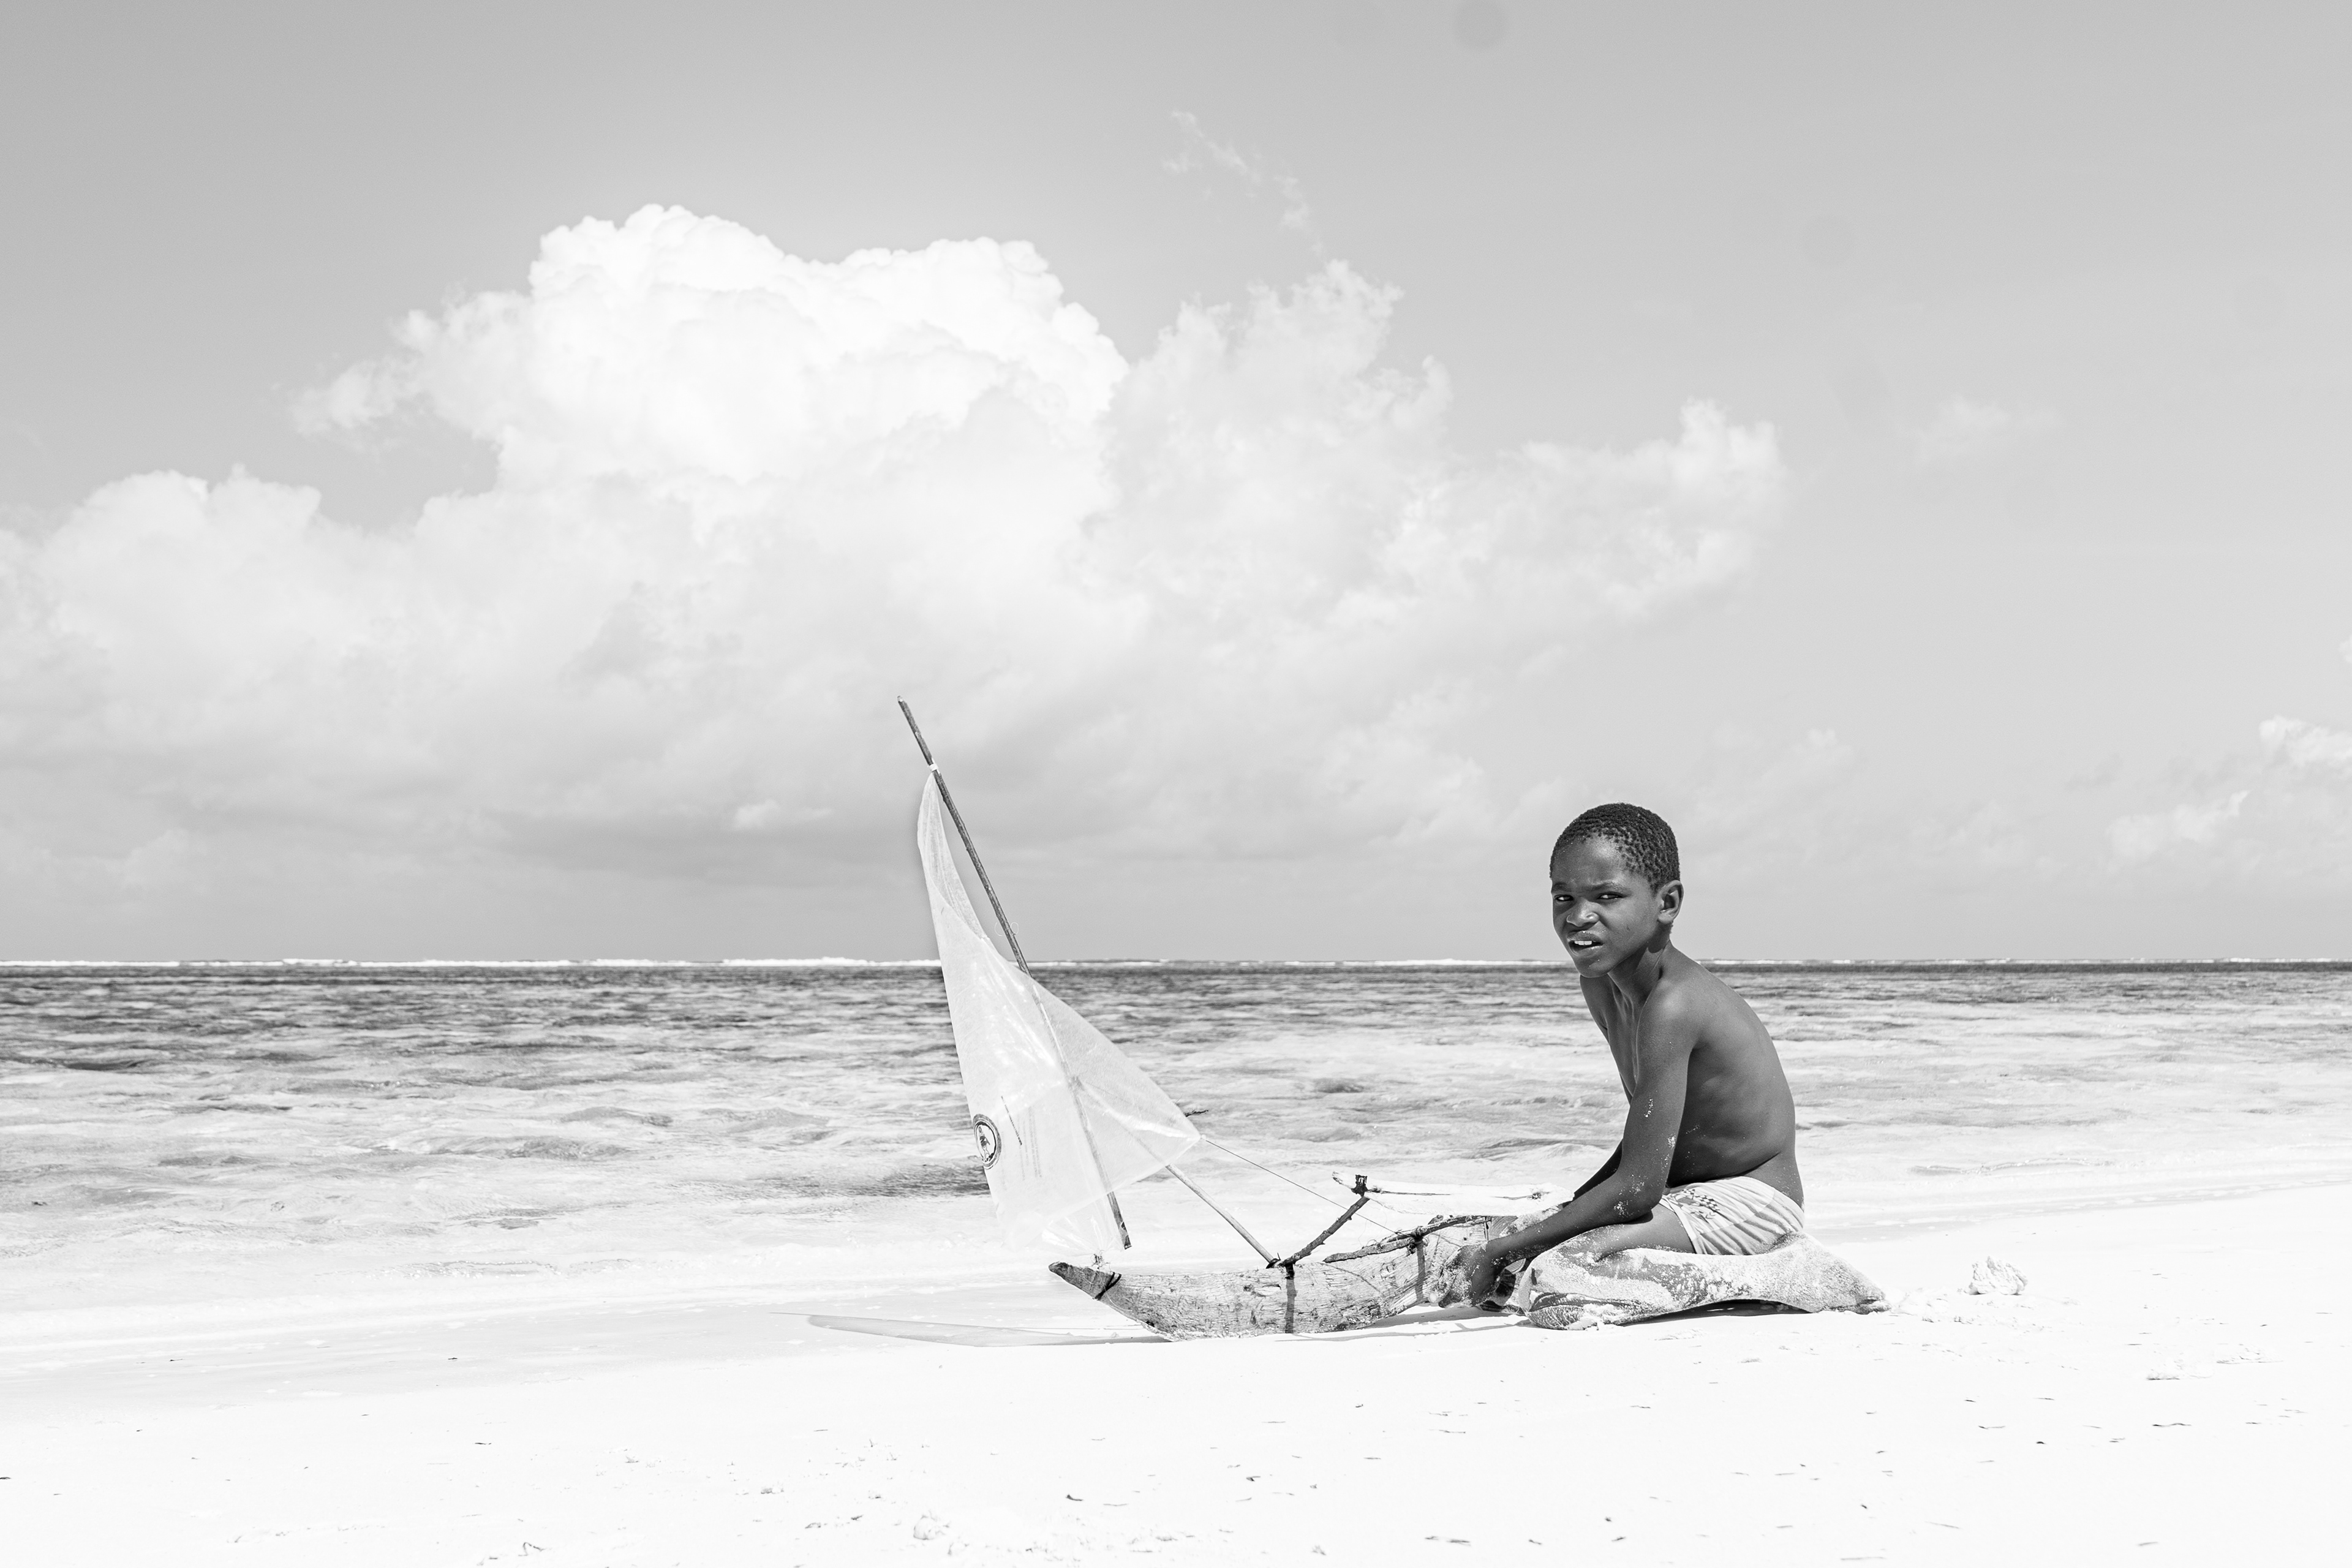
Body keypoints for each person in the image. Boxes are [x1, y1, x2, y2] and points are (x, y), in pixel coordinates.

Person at [1457, 803, 1806, 1317]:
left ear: (1667, 902)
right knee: (1528, 1243)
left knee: (1557, 1271)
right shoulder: (1601, 987)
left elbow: (1639, 1186)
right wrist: (1553, 1218)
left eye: (1607, 896)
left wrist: (1506, 1251)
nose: (1578, 916)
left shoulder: (1675, 1004)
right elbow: (1645, 1144)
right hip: (1683, 1196)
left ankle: (1781, 1278)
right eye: (1563, 897)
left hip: (1752, 1203)